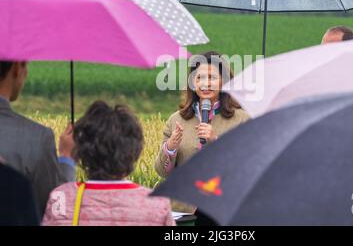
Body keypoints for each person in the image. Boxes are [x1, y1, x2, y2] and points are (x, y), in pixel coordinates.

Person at [42, 101, 175, 226]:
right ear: (135, 151)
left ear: (82, 151)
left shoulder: (63, 198)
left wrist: (67, 156)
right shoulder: (157, 204)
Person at [155, 51, 250, 219]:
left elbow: (248, 167)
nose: (205, 84)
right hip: (185, 211)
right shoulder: (176, 120)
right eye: (199, 78)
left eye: (212, 77)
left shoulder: (242, 119)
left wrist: (216, 142)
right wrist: (170, 148)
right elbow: (162, 172)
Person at [0, 61, 75, 216]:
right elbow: (54, 209)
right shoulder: (38, 138)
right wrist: (67, 157)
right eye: (24, 64)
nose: (26, 72)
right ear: (15, 68)